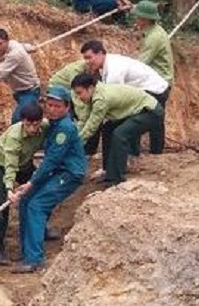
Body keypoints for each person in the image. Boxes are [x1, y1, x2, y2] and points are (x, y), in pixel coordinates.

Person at [12, 86, 87, 273]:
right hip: (58, 171)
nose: (52, 109)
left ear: (67, 107)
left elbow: (51, 160)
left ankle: (34, 259)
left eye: (57, 106)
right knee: (26, 201)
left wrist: (32, 182)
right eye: (49, 105)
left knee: (37, 205)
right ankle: (34, 240)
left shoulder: (64, 129)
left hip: (68, 174)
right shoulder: (53, 124)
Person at [80, 39, 170, 160]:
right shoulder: (109, 64)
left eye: (89, 57)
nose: (88, 62)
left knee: (131, 119)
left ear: (101, 53)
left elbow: (113, 100)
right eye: (85, 59)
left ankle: (148, 155)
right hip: (146, 88)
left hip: (154, 89)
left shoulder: (114, 69)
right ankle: (138, 153)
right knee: (132, 118)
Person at [71, 74, 164, 186]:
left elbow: (92, 127)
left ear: (90, 88)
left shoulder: (101, 99)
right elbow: (85, 119)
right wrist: (75, 137)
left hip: (150, 111)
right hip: (136, 111)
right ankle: (108, 170)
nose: (79, 97)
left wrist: (76, 144)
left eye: (80, 93)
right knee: (108, 129)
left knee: (120, 134)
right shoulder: (95, 94)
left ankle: (116, 178)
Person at [0, 102, 49, 265]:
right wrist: (9, 189)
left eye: (35, 124)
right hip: (2, 165)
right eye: (28, 124)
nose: (32, 128)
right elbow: (10, 165)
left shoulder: (45, 126)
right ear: (23, 121)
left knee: (40, 191)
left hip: (25, 163)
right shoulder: (15, 137)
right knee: (2, 205)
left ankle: (41, 230)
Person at [132, 0, 174, 152]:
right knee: (156, 117)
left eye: (137, 17)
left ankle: (150, 152)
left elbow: (142, 63)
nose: (135, 19)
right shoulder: (155, 31)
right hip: (160, 80)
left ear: (145, 19)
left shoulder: (153, 37)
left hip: (158, 82)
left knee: (140, 114)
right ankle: (156, 151)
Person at [48, 60, 100, 155]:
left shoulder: (91, 69)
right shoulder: (76, 71)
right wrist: (83, 116)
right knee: (65, 116)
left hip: (70, 90)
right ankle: (58, 142)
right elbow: (76, 96)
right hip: (57, 88)